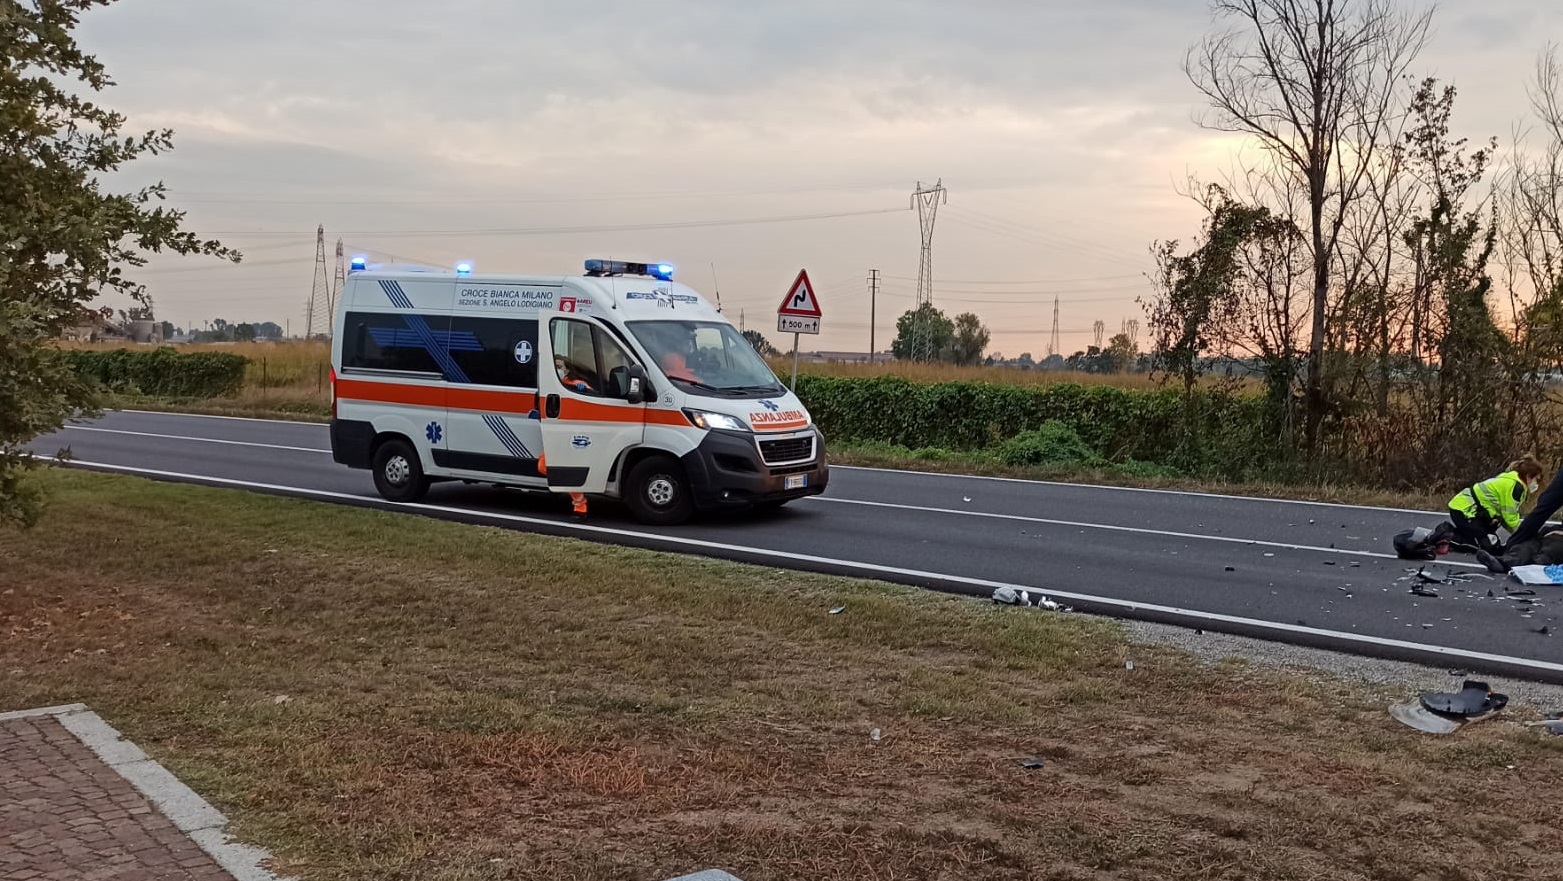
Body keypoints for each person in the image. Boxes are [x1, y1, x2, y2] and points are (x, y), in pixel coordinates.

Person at [1446, 454, 1545, 556]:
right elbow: (1510, 519)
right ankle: (1446, 536)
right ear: (1528, 476)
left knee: (1493, 536)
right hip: (1463, 510)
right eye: (1536, 479)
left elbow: (1504, 518)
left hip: (1471, 511)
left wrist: (1520, 536)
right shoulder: (1515, 487)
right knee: (1490, 546)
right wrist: (1526, 536)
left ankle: (1464, 534)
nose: (1536, 483)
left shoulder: (1512, 482)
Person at [538, 357, 592, 521]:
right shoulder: (547, 384)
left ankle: (580, 504)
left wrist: (585, 390)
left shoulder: (575, 384)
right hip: (556, 433)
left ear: (567, 369)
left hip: (574, 435)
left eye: (559, 366)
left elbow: (591, 400)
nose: (557, 369)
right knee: (543, 465)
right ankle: (562, 491)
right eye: (554, 365)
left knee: (560, 467)